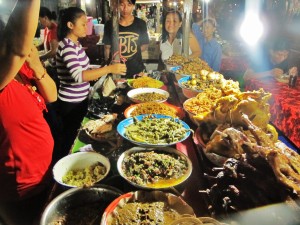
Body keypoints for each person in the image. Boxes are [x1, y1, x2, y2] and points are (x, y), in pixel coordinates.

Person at [0, 0, 57, 224]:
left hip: (45, 173)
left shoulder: (20, 68)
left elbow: (52, 95)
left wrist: (36, 65)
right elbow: (17, 46)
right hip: (20, 189)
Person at [56, 7, 127, 155]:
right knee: (70, 139)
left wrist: (106, 67)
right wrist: (109, 69)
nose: (86, 27)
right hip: (71, 103)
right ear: (70, 25)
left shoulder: (75, 44)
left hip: (80, 99)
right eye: (82, 24)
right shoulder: (67, 47)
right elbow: (79, 76)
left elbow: (86, 68)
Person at [103, 0, 149, 78]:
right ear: (117, 6)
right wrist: (109, 65)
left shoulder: (141, 24)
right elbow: (107, 48)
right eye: (122, 4)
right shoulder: (109, 24)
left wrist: (132, 51)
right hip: (116, 73)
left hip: (137, 72)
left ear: (133, 6)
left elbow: (145, 45)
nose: (125, 8)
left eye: (129, 5)